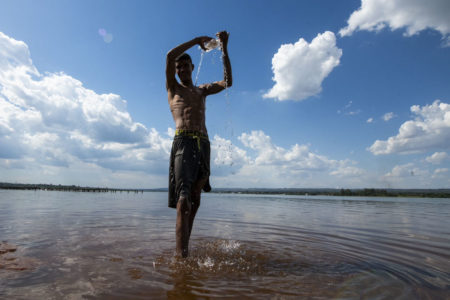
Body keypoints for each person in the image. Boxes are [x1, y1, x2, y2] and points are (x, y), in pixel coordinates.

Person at [166, 31, 232, 258]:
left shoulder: (201, 90)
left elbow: (228, 82)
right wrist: (196, 41)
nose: (182, 70)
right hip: (183, 142)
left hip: (203, 143)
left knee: (195, 199)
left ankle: (185, 249)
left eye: (186, 66)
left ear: (192, 68)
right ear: (176, 71)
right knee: (183, 200)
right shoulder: (173, 89)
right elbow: (168, 56)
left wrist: (224, 48)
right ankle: (180, 258)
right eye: (179, 67)